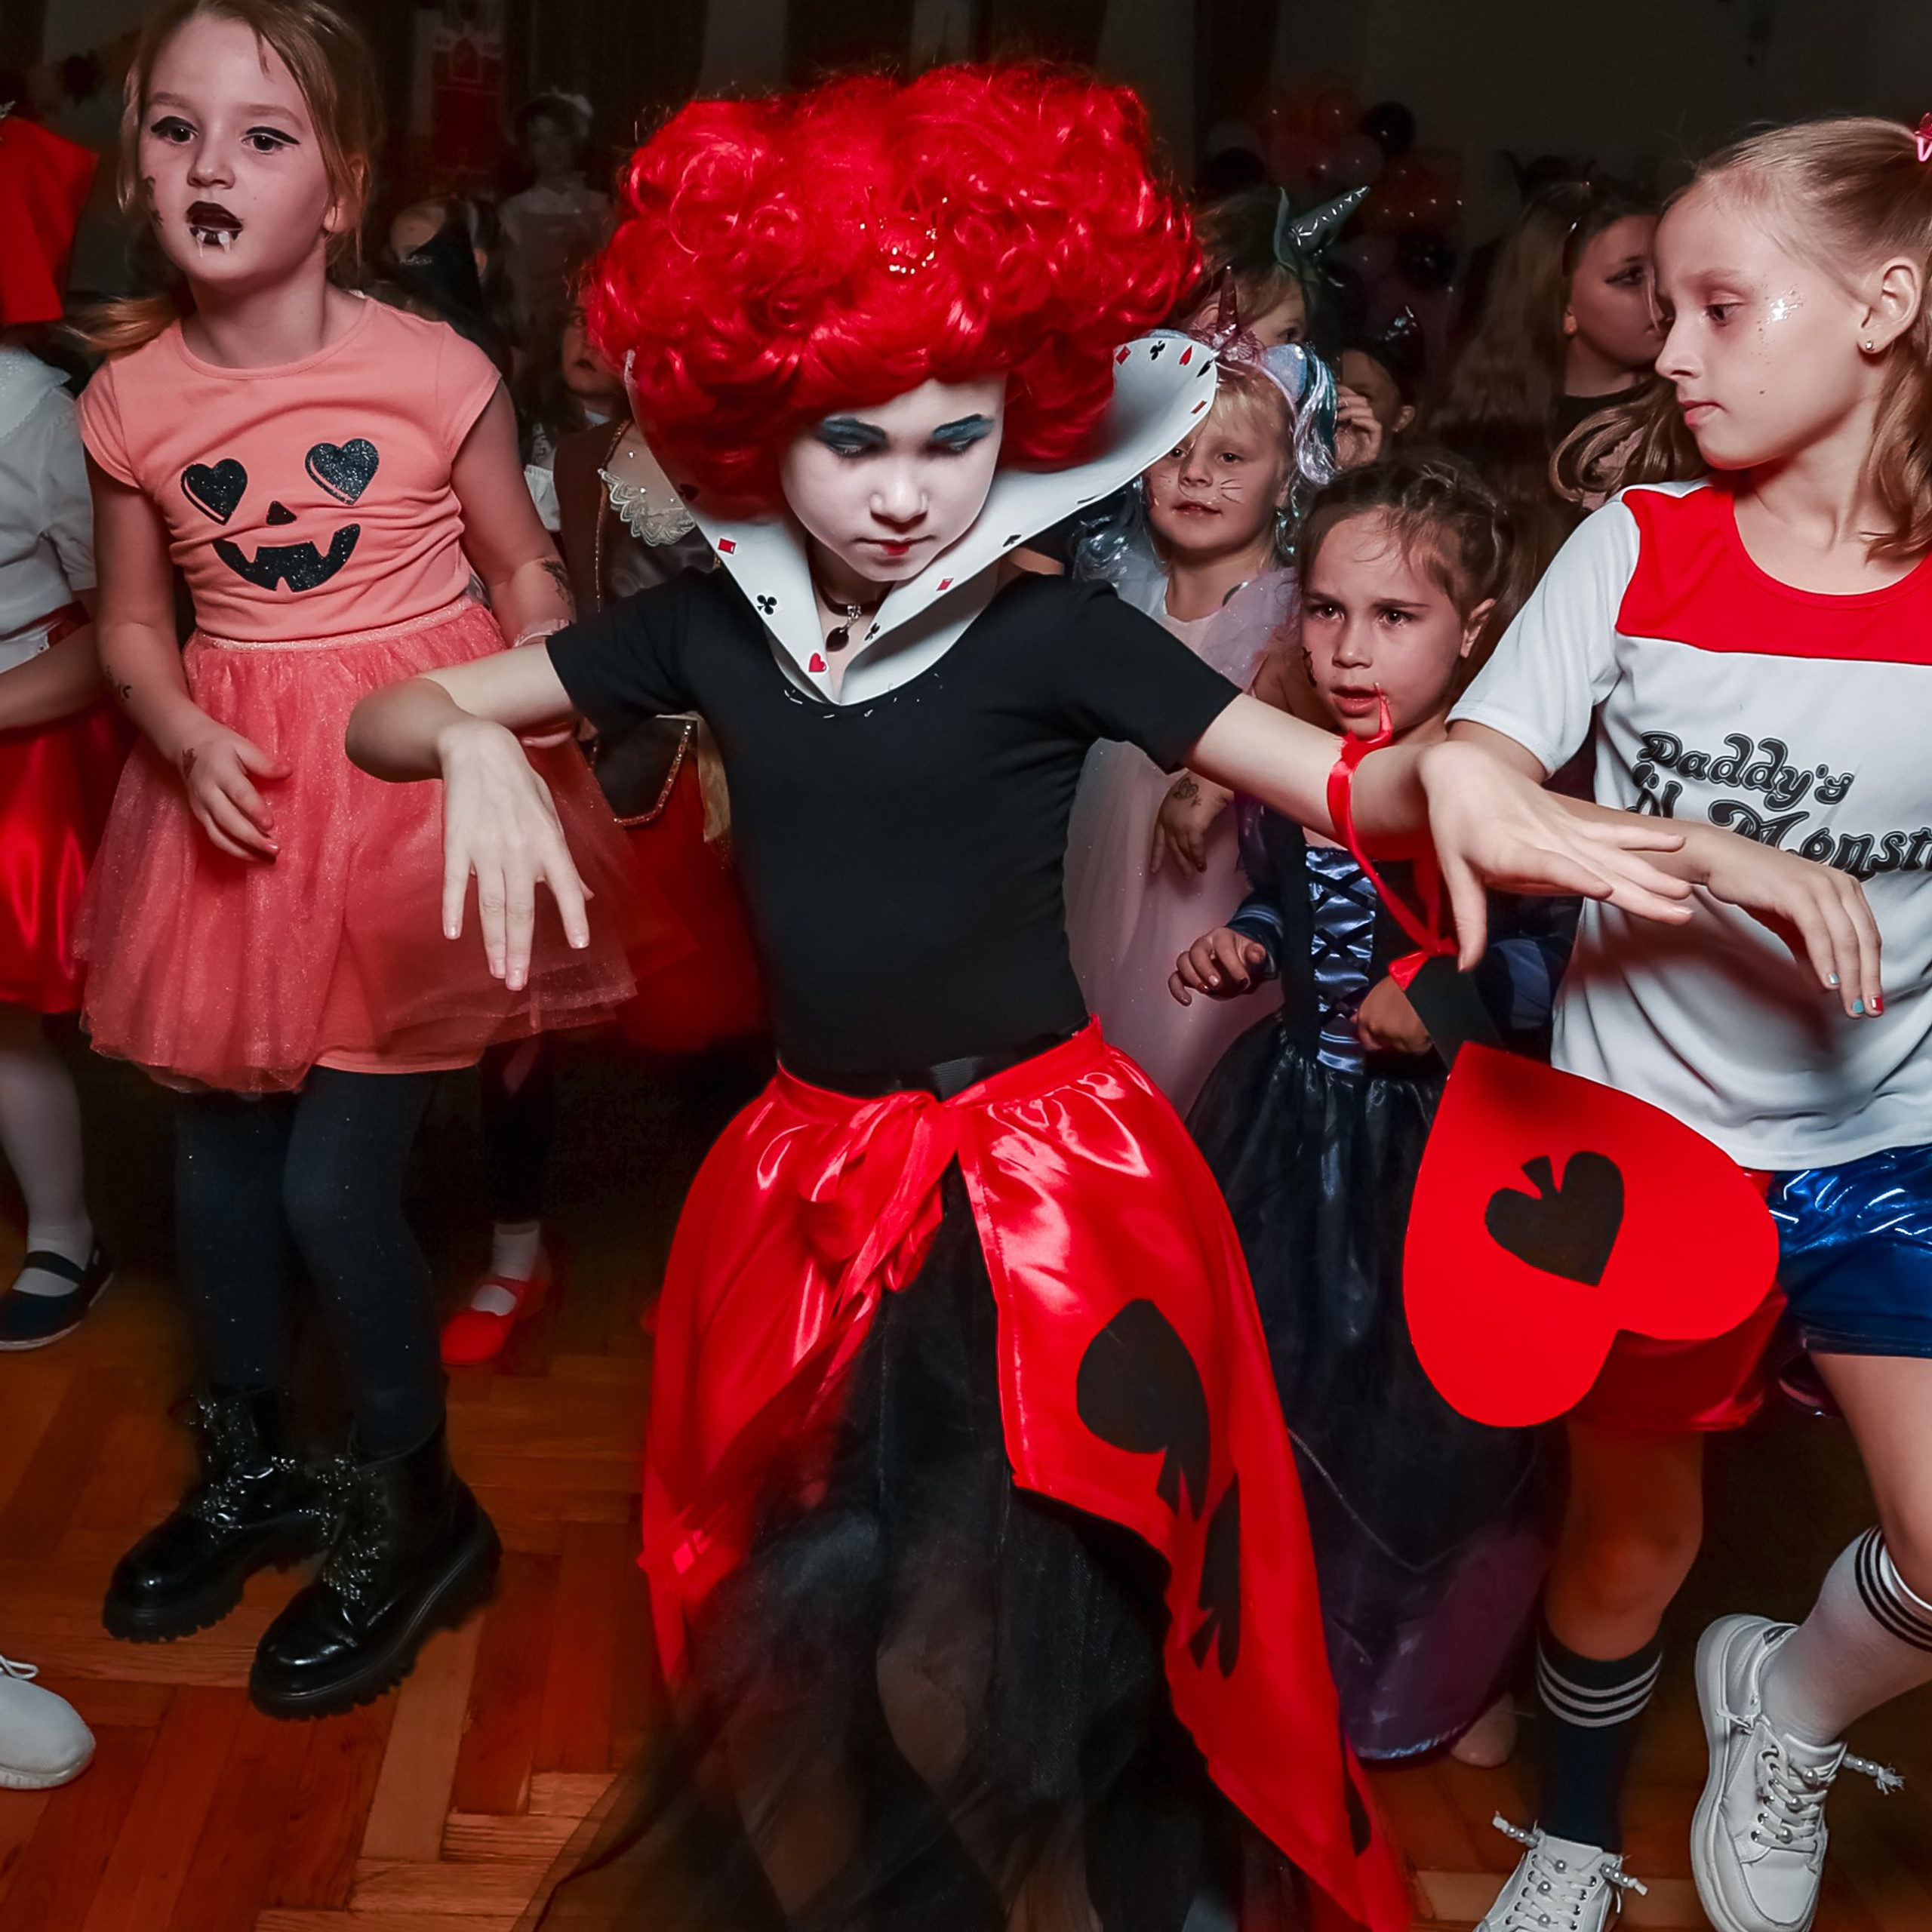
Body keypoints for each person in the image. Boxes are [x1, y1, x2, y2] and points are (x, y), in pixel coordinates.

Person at [346, 63, 1684, 1932]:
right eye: (851, 439)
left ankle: (1150, 1876)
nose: (905, 493)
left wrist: (1445, 772)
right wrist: (478, 744)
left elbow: (1330, 780)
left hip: (1042, 1173)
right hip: (813, 1175)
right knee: (826, 1576)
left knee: (1077, 1578)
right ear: (751, 421)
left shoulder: (1053, 628)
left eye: (951, 438)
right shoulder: (705, 627)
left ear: (1026, 425)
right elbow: (383, 715)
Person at [1356, 117, 1921, 1932]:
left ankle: (1788, 1696)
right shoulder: (1635, 544)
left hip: (1877, 1142)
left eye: (1716, 305)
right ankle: (1577, 1835)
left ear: (1882, 309)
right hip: (1628, 1147)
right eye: (1658, 306)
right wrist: (1724, 856)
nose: (1667, 352)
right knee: (1626, 1539)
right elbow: (1471, 780)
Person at [72, 0, 642, 1718]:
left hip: (413, 784)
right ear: (133, 163)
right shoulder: (129, 396)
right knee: (224, 1161)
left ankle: (416, 1499)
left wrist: (512, 729)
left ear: (342, 183)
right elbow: (127, 626)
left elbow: (530, 579)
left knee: (334, 1178)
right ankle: (249, 1462)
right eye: (176, 129)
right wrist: (178, 734)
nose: (209, 164)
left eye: (260, 133)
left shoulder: (431, 367)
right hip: (233, 801)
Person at [1172, 457, 1562, 1767]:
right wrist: (1248, 942)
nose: (1350, 651)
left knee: (1441, 1425)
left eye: (1396, 620)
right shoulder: (1292, 759)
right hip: (1289, 1129)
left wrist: (1439, 996)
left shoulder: (1514, 783)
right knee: (1285, 1398)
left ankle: (1442, 1672)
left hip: (1446, 1158)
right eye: (1328, 612)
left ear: (1481, 629)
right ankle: (1285, 1651)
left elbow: (1561, 959)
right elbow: (1284, 890)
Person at [1062, 336, 1333, 1111]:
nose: (1197, 476)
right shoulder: (1114, 597)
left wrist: (1212, 778)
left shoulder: (1291, 610)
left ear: (1285, 480)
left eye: (1230, 459)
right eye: (1174, 452)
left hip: (1216, 891)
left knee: (1183, 1056)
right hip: (1111, 860)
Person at [0, 110, 125, 1349]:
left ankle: (65, 1232)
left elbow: (120, 623)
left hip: (22, 736)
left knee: (9, 1011)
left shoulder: (34, 416)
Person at [1429, 177, 1660, 575]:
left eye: (1666, 270)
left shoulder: (1692, 421)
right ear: (1561, 306)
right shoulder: (1472, 437)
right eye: (1631, 278)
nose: (1664, 294)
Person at [498, 93, 611, 332]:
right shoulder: (515, 211)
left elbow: (614, 276)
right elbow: (515, 286)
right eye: (538, 139)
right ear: (527, 148)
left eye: (559, 135)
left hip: (591, 330)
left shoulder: (600, 205)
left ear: (574, 139)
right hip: (538, 333)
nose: (551, 148)